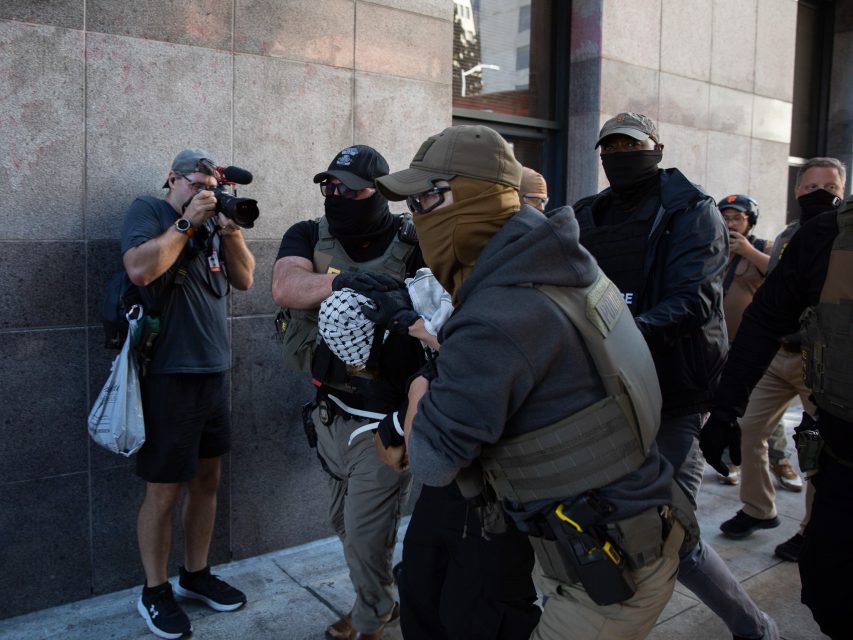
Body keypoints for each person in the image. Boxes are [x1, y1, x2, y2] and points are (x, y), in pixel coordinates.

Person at [374, 124, 694, 640]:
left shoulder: (498, 312)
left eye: (428, 199)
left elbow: (432, 462)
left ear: (475, 198)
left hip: (611, 567)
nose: (417, 216)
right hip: (625, 527)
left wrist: (417, 389)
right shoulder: (565, 263)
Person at [572, 113, 778, 640]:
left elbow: (692, 301)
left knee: (672, 532)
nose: (618, 154)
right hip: (602, 389)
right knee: (593, 522)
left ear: (655, 148)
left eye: (630, 145)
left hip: (673, 392)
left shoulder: (692, 211)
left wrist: (619, 335)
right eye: (609, 146)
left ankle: (755, 628)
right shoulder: (589, 214)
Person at [271, 145, 425, 640]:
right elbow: (285, 287)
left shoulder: (412, 239)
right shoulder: (309, 233)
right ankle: (380, 600)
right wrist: (342, 284)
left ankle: (370, 616)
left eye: (347, 187)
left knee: (364, 531)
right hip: (329, 412)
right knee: (344, 522)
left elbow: (440, 311)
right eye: (328, 185)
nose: (335, 194)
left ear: (378, 191)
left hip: (383, 418)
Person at [700, 182, 851, 640]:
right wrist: (725, 407)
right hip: (844, 449)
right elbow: (768, 317)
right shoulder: (824, 234)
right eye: (807, 184)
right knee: (831, 590)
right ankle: (762, 510)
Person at [123, 148, 256, 639]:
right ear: (173, 179)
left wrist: (230, 228)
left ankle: (194, 575)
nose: (205, 192)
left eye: (212, 186)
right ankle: (154, 591)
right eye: (196, 183)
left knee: (207, 480)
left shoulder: (216, 223)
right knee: (164, 489)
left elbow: (245, 279)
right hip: (168, 373)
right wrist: (185, 224)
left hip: (214, 370)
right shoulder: (149, 211)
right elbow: (139, 270)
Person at [716, 194, 800, 491]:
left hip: (751, 344)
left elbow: (780, 277)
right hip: (717, 341)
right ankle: (730, 459)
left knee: (759, 407)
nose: (730, 223)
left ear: (750, 221)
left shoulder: (763, 247)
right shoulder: (712, 247)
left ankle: (781, 460)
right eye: (725, 217)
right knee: (726, 403)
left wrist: (747, 250)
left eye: (737, 218)